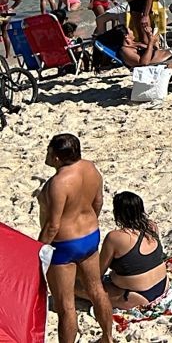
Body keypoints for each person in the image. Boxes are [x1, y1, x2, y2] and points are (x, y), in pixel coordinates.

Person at [37, 133, 116, 343]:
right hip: (89, 236)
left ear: (56, 158)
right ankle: (107, 337)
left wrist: (36, 249)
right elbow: (98, 202)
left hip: (64, 245)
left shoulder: (57, 183)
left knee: (66, 307)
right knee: (97, 290)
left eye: (48, 151)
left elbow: (53, 225)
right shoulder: (91, 168)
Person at [97, 191, 168, 309]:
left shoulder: (115, 238)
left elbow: (98, 273)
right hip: (162, 286)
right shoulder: (152, 227)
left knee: (78, 287)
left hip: (136, 296)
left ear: (118, 213)